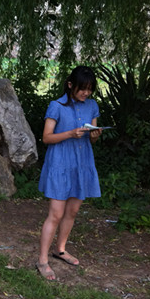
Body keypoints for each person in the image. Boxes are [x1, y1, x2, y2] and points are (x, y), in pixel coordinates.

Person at [36, 66, 103, 280]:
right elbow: (46, 137)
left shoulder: (92, 105)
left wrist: (95, 135)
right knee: (56, 214)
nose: (86, 93)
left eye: (90, 89)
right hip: (60, 164)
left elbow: (92, 137)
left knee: (72, 212)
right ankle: (42, 260)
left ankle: (60, 249)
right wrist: (70, 133)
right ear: (70, 84)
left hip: (82, 163)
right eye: (82, 88)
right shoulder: (56, 106)